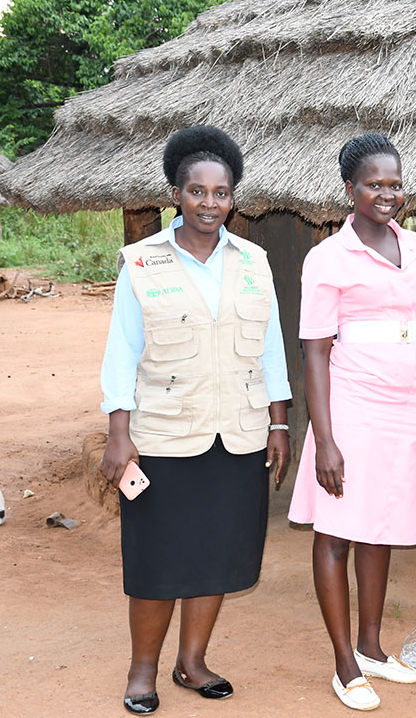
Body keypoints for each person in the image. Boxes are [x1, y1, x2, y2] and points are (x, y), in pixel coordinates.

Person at [98, 126, 292, 715]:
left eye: (222, 193)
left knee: (217, 553)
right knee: (158, 559)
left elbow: (272, 350)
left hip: (236, 431)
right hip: (163, 433)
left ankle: (193, 660)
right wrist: (118, 432)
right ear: (176, 193)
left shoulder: (254, 262)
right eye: (198, 192)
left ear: (233, 197)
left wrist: (278, 424)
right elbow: (121, 352)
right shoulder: (142, 262)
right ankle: (142, 669)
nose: (210, 203)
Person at [287, 132, 416, 711]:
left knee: (381, 522)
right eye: (374, 184)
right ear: (350, 189)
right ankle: (344, 663)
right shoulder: (328, 257)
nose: (387, 194)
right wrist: (324, 439)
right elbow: (315, 350)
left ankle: (373, 647)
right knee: (336, 529)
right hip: (351, 404)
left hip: (409, 402)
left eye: (395, 184)